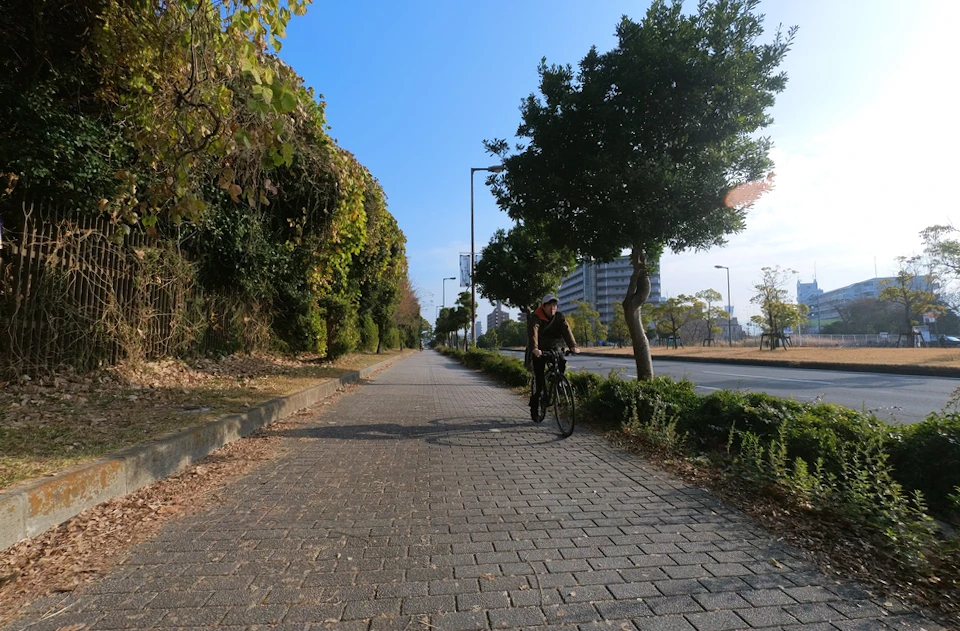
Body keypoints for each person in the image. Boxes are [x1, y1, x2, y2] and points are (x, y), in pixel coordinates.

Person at [526, 294, 580, 420]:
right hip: (539, 350)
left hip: (554, 347)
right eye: (550, 306)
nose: (552, 309)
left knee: (562, 359)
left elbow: (567, 330)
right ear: (543, 306)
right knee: (540, 384)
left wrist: (573, 346)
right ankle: (535, 404)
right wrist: (535, 348)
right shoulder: (536, 317)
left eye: (554, 306)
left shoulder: (559, 317)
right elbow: (533, 332)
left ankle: (558, 381)